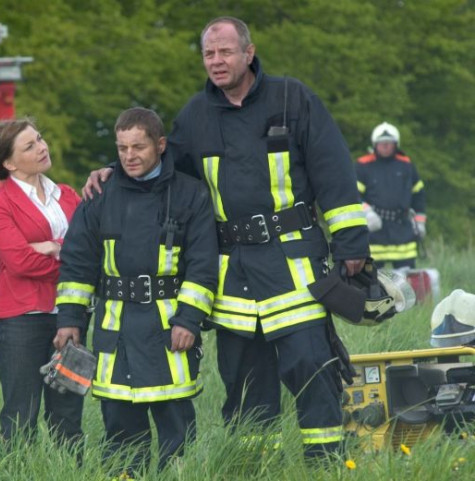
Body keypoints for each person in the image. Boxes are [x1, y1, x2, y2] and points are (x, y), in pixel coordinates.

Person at [83, 17, 370, 458]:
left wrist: (350, 242)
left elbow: (333, 169)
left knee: (311, 364)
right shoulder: (196, 115)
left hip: (294, 265)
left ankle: (325, 461)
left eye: (225, 52)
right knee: (244, 380)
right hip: (233, 272)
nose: (216, 61)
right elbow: (163, 164)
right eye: (208, 54)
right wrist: (113, 170)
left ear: (249, 53)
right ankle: (253, 464)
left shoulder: (292, 99)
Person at [56, 107, 217, 476]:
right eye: (122, 148)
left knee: (177, 427)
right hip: (116, 330)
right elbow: (77, 263)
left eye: (138, 147)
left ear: (160, 145)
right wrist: (70, 319)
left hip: (169, 330)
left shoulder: (190, 194)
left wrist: (189, 320)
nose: (129, 156)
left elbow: (203, 263)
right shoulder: (100, 194)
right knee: (120, 430)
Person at [0, 119, 84, 449]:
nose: (42, 147)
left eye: (39, 139)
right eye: (30, 146)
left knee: (69, 413)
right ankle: (18, 470)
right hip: (22, 320)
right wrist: (71, 261)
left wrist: (53, 247)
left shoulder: (68, 196)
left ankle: (70, 471)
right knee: (20, 415)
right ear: (9, 163)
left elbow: (89, 249)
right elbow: (20, 262)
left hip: (71, 315)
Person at [357, 122, 426, 269]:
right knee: (374, 278)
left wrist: (420, 223)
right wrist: (367, 213)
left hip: (403, 232)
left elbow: (418, 196)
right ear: (375, 144)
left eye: (389, 143)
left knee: (406, 279)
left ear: (396, 145)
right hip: (375, 231)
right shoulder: (363, 166)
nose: (385, 146)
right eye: (382, 143)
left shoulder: (406, 165)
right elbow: (354, 195)